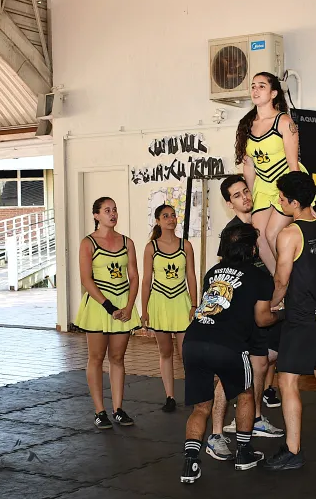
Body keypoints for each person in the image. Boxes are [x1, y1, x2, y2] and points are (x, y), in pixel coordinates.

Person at [180, 223, 278, 483]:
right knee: (245, 393)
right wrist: (286, 313)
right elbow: (262, 319)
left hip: (194, 341)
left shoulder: (213, 272)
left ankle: (190, 464)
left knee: (201, 406)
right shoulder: (259, 277)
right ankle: (244, 453)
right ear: (252, 248)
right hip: (228, 344)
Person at [264, 172, 316, 471]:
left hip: (301, 319)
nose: (279, 202)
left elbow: (282, 279)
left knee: (286, 381)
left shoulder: (290, 234)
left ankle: (293, 449)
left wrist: (270, 305)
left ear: (295, 202)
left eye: (282, 198)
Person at [208, 176, 283, 462]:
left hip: (262, 303)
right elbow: (224, 270)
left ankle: (256, 417)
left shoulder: (262, 223)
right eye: (237, 196)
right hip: (243, 311)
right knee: (233, 370)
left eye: (246, 191)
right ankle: (216, 432)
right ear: (229, 203)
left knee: (263, 362)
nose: (245, 197)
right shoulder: (234, 231)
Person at [73, 197, 139, 428]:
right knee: (96, 357)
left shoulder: (127, 242)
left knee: (118, 358)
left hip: (122, 305)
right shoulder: (88, 242)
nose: (113, 214)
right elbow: (85, 279)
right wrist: (108, 306)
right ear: (96, 215)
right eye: (107, 210)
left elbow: (133, 276)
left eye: (115, 209)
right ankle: (100, 411)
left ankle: (118, 409)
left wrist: (129, 306)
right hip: (101, 306)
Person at [235, 71, 308, 273]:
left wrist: (301, 199)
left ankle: (291, 279)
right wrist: (249, 198)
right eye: (253, 86)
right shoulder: (246, 125)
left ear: (274, 93)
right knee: (258, 237)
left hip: (286, 185)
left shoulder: (284, 122)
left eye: (261, 86)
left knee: (272, 233)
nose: (255, 90)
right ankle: (280, 281)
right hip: (263, 187)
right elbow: (248, 165)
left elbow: (294, 165)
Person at [142, 204, 198, 413]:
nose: (171, 219)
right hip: (160, 302)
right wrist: (144, 310)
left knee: (186, 353)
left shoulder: (186, 245)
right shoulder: (151, 247)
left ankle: (194, 393)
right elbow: (146, 280)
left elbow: (191, 276)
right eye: (165, 216)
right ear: (157, 221)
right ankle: (170, 396)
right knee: (165, 351)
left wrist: (194, 303)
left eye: (173, 215)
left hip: (181, 302)